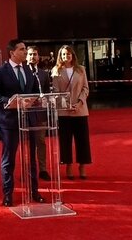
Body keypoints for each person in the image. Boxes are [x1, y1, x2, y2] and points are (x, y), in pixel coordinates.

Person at [0, 38, 45, 207]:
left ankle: (34, 192)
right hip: (9, 121)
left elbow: (35, 93)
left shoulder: (29, 70)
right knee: (9, 159)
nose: (25, 52)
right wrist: (10, 101)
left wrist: (35, 100)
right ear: (12, 52)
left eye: (25, 49)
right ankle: (8, 194)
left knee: (31, 159)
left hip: (28, 119)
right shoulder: (0, 71)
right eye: (21, 49)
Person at [51, 45, 92, 180]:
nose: (66, 57)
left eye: (68, 54)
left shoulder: (81, 70)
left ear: (72, 55)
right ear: (60, 56)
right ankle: (68, 164)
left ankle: (82, 165)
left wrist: (79, 103)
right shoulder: (56, 71)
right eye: (63, 54)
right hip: (64, 111)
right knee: (65, 140)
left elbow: (85, 88)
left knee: (82, 140)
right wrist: (66, 105)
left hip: (80, 110)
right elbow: (56, 91)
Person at [26, 45, 52, 181]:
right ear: (26, 56)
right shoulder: (23, 72)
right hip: (26, 112)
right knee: (28, 142)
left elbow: (47, 92)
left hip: (41, 113)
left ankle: (42, 169)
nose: (32, 57)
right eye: (30, 54)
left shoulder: (43, 74)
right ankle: (29, 170)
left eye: (35, 54)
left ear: (38, 56)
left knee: (41, 141)